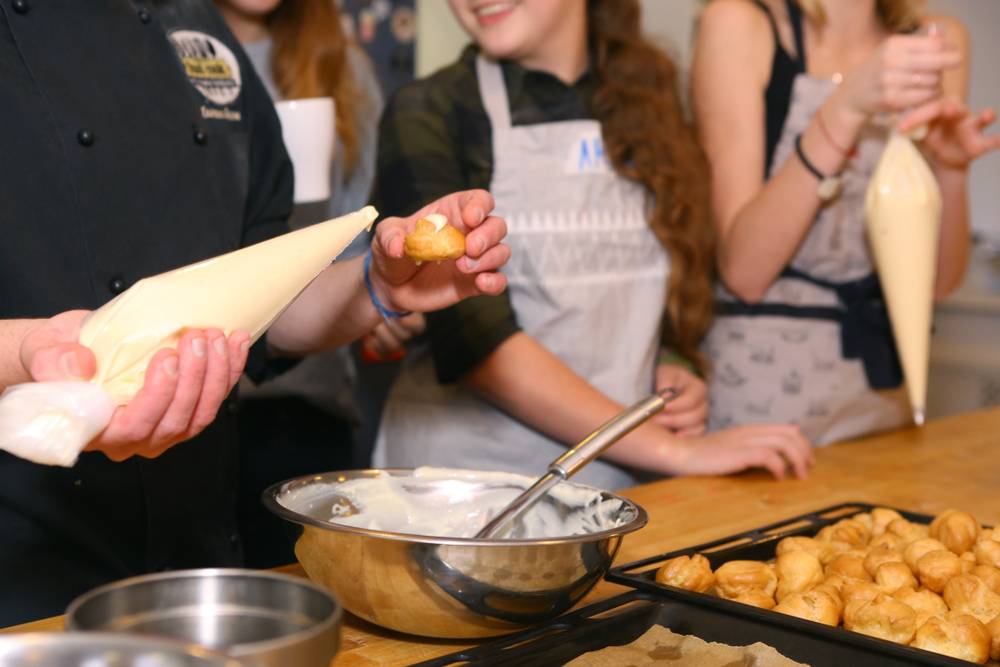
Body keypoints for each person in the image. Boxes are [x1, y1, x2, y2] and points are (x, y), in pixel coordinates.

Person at [0, 0, 507, 626]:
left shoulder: (197, 32)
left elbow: (261, 305)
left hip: (196, 556)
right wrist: (25, 350)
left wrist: (377, 285)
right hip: (24, 569)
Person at [371, 0, 814, 492]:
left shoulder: (648, 101)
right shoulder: (428, 111)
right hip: (464, 491)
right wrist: (675, 449)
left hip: (617, 484)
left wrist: (669, 359)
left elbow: (665, 279)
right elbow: (476, 343)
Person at [693, 0, 1000, 444]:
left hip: (880, 396)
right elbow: (743, 272)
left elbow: (936, 284)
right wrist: (845, 108)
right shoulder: (741, 24)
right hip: (760, 404)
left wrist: (951, 171)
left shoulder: (936, 40)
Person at [214, 0, 387, 568]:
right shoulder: (163, 54)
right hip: (192, 395)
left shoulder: (344, 67)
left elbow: (359, 240)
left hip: (307, 397)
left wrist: (380, 298)